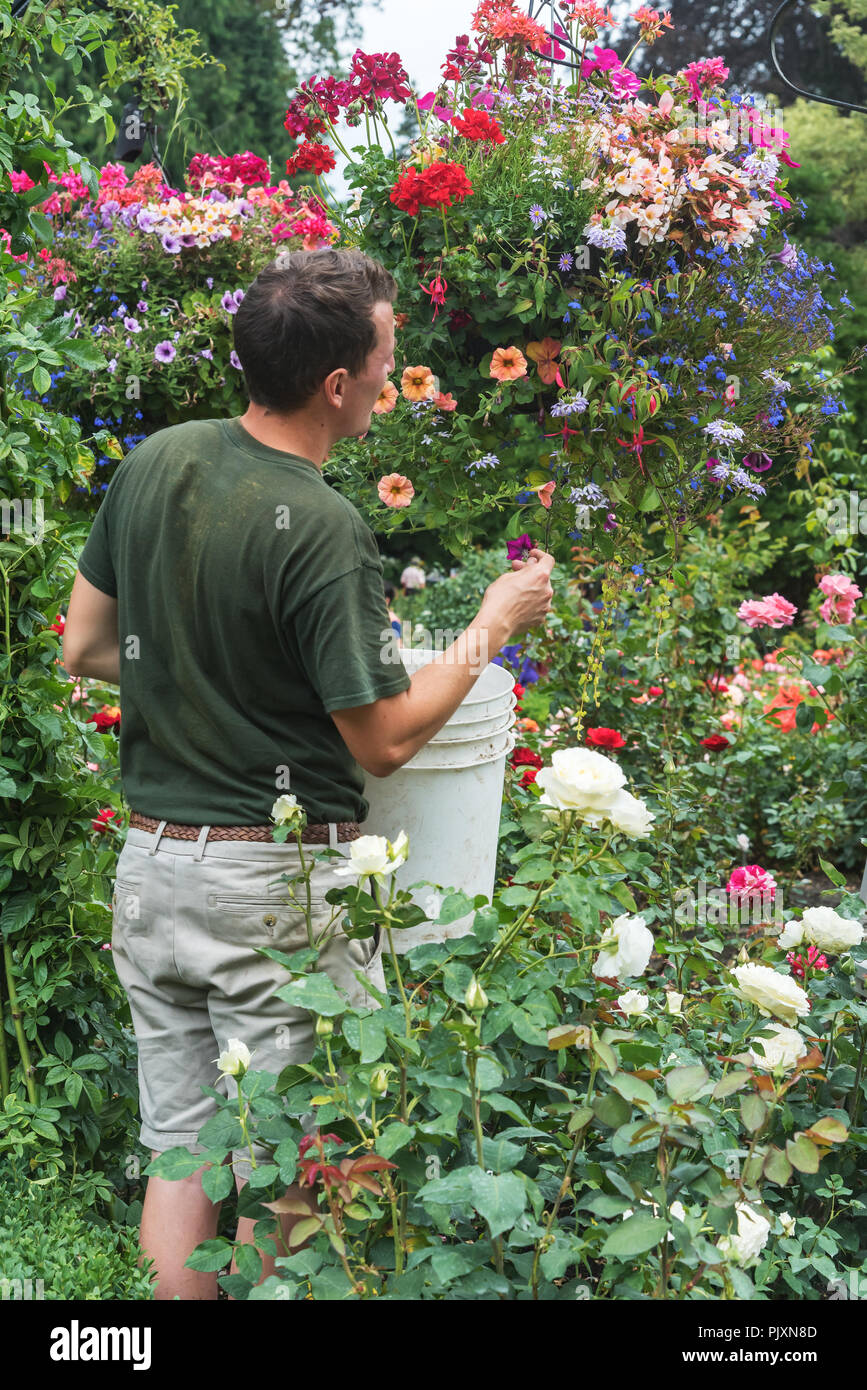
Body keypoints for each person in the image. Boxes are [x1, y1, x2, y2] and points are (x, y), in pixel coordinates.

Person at [62, 246, 555, 1301]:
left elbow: (89, 645)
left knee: (185, 1149)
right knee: (312, 1164)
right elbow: (381, 740)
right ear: (339, 383)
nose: (392, 373)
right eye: (388, 356)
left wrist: (207, 673)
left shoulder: (158, 461)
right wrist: (489, 627)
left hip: (154, 867)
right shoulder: (325, 529)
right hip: (270, 890)